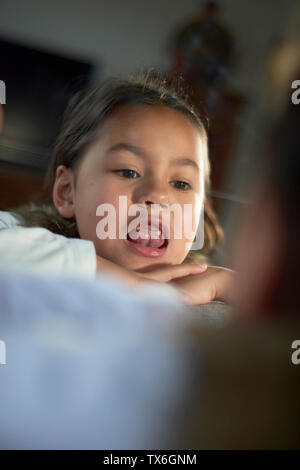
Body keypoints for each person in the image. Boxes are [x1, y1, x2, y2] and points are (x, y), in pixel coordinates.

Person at [0, 69, 234, 306]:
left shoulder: (200, 287)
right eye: (129, 171)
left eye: (181, 183)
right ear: (67, 192)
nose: (158, 195)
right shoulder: (20, 239)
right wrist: (131, 283)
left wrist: (224, 281)